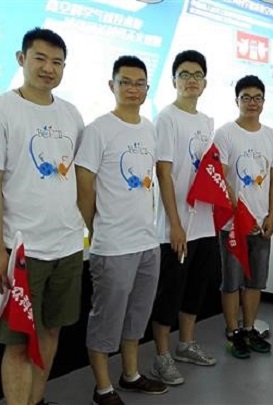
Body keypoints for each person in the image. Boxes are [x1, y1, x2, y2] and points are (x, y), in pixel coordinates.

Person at [0, 28, 85, 405]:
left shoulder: (71, 114)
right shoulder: (0, 111)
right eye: (40, 58)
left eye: (57, 62)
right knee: (19, 342)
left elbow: (77, 176)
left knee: (51, 331)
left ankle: (36, 401)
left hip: (67, 246)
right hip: (23, 252)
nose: (48, 68)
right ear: (21, 59)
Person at [75, 56, 168, 405]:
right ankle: (102, 388)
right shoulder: (99, 129)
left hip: (147, 242)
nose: (132, 89)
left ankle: (131, 375)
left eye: (139, 83)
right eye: (125, 82)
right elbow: (84, 185)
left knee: (137, 316)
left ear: (147, 88)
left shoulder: (149, 128)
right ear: (111, 86)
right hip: (112, 245)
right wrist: (95, 226)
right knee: (106, 320)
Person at [150, 50, 218, 385]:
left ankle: (186, 345)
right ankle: (162, 355)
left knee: (196, 290)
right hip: (175, 228)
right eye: (185, 74)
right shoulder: (167, 118)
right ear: (174, 80)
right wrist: (174, 224)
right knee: (170, 294)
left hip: (204, 223)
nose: (192, 80)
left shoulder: (206, 121)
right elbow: (163, 173)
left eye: (197, 75)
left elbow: (209, 171)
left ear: (205, 83)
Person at [214, 75, 273, 359]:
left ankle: (249, 328)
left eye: (257, 98)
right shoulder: (225, 133)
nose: (252, 103)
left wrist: (272, 215)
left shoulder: (271, 135)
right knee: (231, 281)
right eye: (246, 98)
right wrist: (240, 213)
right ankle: (233, 332)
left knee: (255, 281)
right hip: (233, 224)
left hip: (261, 223)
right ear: (237, 100)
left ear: (264, 102)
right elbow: (220, 177)